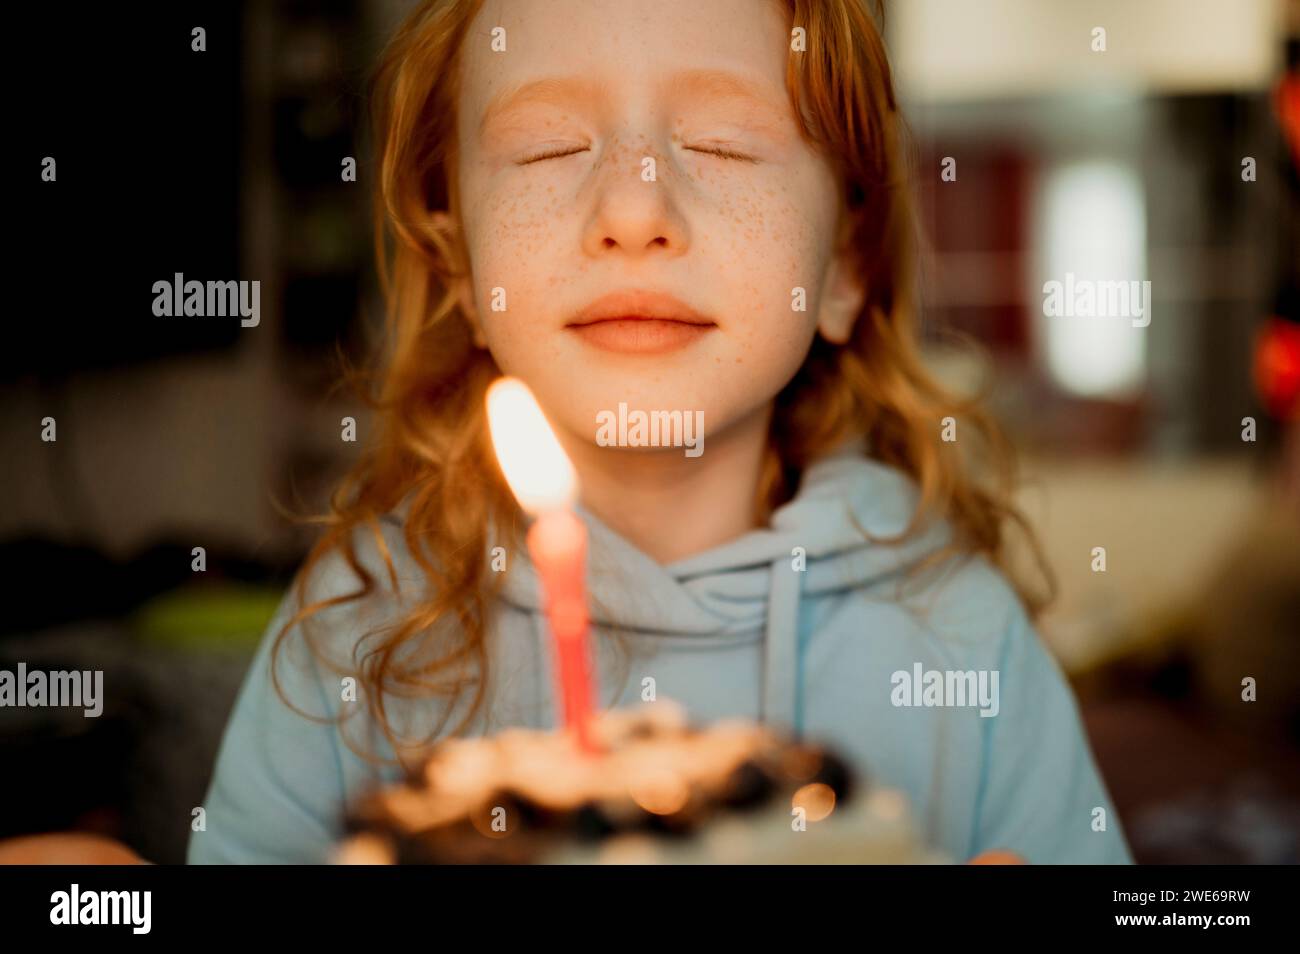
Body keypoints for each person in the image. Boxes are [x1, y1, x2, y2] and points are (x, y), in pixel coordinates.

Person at [189, 0, 1132, 865]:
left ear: (846, 262)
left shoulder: (961, 637)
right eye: (546, 146)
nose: (633, 212)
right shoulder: (359, 624)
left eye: (724, 144)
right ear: (461, 268)